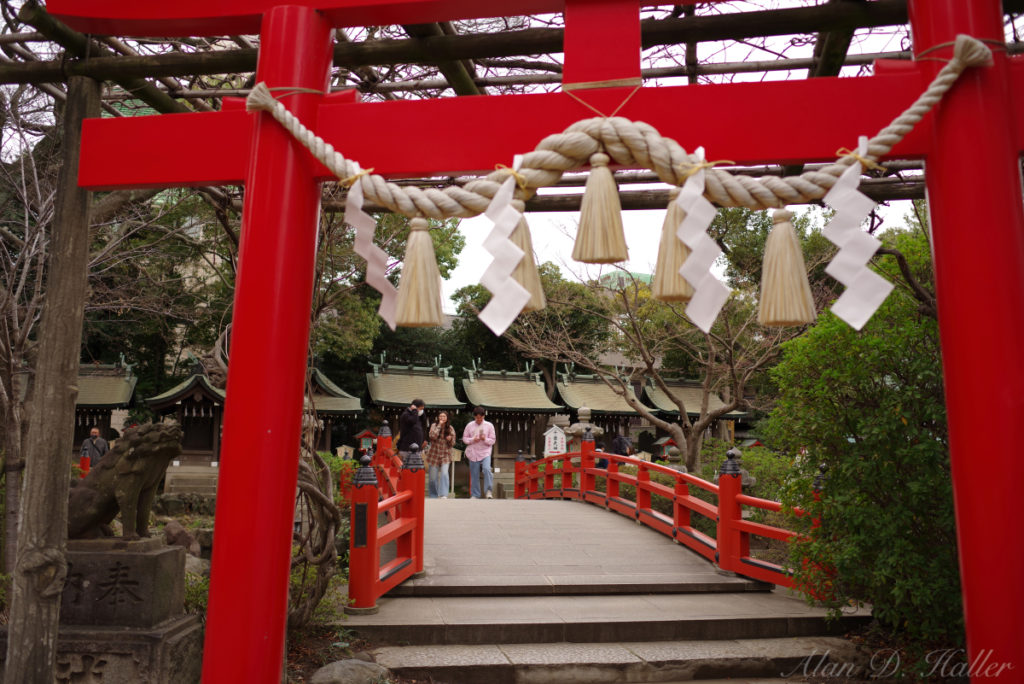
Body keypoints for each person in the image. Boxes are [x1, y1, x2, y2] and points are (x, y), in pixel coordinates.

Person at [462, 406, 496, 499]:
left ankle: (489, 491)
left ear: (484, 416)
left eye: (481, 418)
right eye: (477, 418)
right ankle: (475, 494)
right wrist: (473, 439)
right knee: (474, 473)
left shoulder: (489, 425)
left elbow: (493, 440)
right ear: (474, 417)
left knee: (486, 469)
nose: (479, 420)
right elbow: (465, 438)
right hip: (473, 451)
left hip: (485, 451)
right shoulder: (469, 425)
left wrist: (485, 439)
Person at [424, 411, 455, 498]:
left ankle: (443, 494)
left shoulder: (450, 428)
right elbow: (432, 436)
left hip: (446, 454)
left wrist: (450, 440)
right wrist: (439, 426)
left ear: (447, 418)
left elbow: (453, 443)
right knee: (433, 478)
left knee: (444, 474)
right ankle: (433, 495)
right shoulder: (434, 425)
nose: (442, 418)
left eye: (444, 416)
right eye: (440, 416)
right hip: (434, 454)